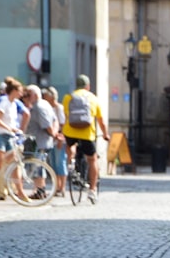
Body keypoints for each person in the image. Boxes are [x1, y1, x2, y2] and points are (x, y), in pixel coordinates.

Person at [62, 74, 108, 203]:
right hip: (87, 134)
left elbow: (66, 116)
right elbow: (101, 121)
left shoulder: (68, 97)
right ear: (88, 86)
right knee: (92, 160)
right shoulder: (93, 98)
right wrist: (105, 134)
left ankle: (71, 164)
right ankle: (92, 190)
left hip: (70, 132)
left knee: (71, 146)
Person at [22, 85, 57, 199]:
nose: (26, 96)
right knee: (39, 165)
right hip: (44, 140)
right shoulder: (45, 104)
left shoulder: (38, 107)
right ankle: (39, 190)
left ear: (35, 95)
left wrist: (53, 133)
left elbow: (46, 125)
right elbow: (55, 120)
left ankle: (40, 190)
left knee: (38, 166)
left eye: (29, 94)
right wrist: (54, 133)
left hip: (38, 140)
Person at [43, 86, 68, 196]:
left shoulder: (59, 108)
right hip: (51, 140)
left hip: (59, 140)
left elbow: (63, 125)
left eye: (47, 96)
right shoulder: (49, 108)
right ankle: (56, 186)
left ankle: (62, 187)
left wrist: (61, 139)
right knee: (53, 163)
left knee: (60, 162)